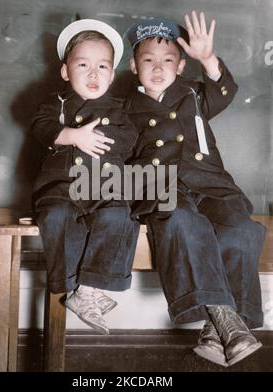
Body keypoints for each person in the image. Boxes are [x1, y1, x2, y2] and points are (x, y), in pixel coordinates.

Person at [125, 11, 266, 366]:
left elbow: (224, 89)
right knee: (183, 222)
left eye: (168, 60)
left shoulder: (194, 96)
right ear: (132, 66)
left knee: (241, 228)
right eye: (149, 60)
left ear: (182, 66)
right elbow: (111, 158)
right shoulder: (124, 110)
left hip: (212, 186)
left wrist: (209, 60)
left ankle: (219, 328)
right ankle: (225, 318)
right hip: (162, 189)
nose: (159, 68)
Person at [32, 19, 139, 335]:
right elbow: (41, 126)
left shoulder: (120, 108)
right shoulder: (57, 103)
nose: (94, 73)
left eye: (103, 66)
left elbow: (130, 137)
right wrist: (71, 135)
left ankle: (90, 287)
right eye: (83, 64)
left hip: (103, 186)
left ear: (112, 73)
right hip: (61, 185)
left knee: (121, 216)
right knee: (56, 215)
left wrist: (105, 137)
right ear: (65, 72)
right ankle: (73, 286)